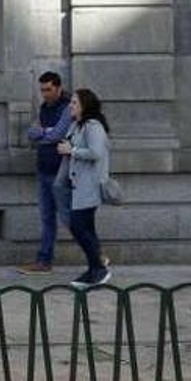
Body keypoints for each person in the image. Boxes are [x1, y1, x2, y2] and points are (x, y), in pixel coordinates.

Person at [57, 88, 114, 289]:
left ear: (84, 106)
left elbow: (96, 152)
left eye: (74, 103)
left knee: (79, 227)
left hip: (89, 186)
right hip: (77, 186)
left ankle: (99, 268)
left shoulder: (93, 126)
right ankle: (93, 269)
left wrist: (71, 150)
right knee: (85, 228)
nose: (70, 106)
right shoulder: (77, 125)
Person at [20, 71, 73, 274]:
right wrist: (46, 133)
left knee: (68, 217)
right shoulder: (44, 107)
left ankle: (95, 255)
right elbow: (32, 133)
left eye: (48, 89)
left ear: (58, 87)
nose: (45, 94)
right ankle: (44, 261)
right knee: (47, 218)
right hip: (43, 168)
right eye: (42, 90)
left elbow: (60, 135)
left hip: (61, 171)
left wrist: (45, 134)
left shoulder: (68, 106)